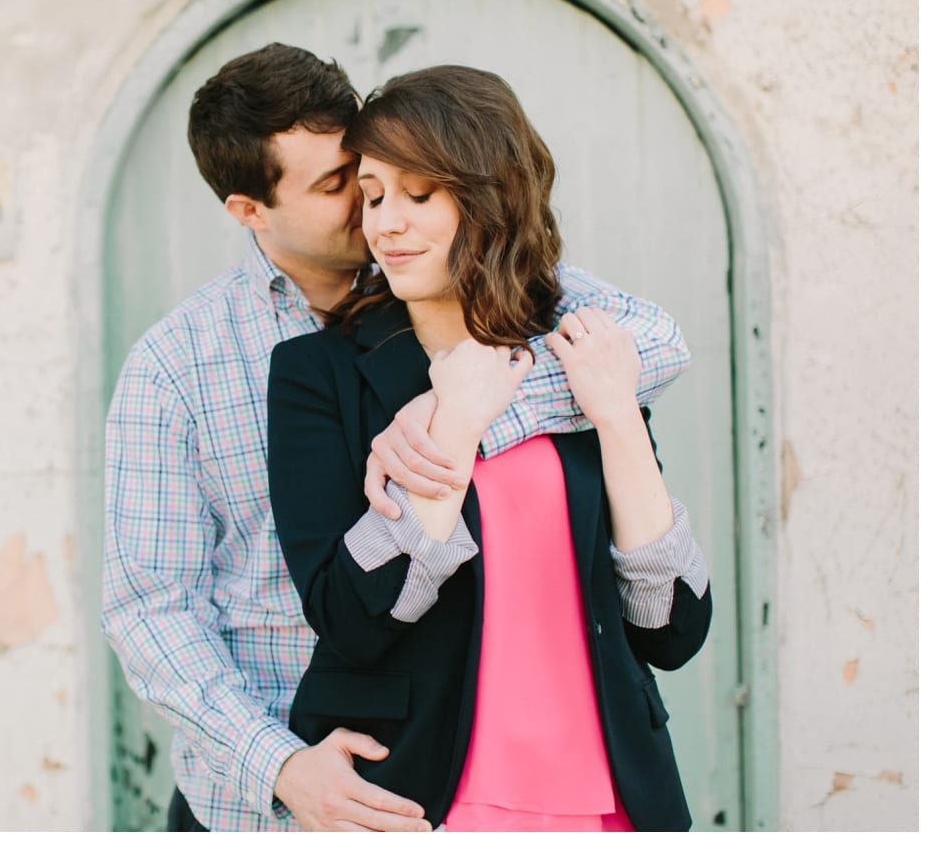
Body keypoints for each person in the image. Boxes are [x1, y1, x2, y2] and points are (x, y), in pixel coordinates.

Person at [101, 44, 694, 832]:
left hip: (458, 768)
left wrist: (474, 407)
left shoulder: (476, 290)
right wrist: (277, 765)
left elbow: (651, 343)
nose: (371, 209)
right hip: (273, 789)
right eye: (341, 186)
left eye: (376, 176)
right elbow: (151, 612)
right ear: (250, 210)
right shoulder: (178, 366)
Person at [267, 64, 712, 832]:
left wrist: (614, 415)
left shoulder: (574, 357)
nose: (386, 224)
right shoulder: (317, 373)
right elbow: (353, 620)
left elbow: (670, 627)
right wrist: (455, 424)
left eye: (418, 193)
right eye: (373, 196)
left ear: (486, 193)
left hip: (609, 801)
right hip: (423, 795)